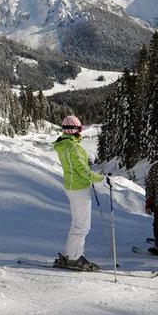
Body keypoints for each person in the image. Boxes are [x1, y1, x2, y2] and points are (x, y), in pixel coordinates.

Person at [52, 115, 104, 271]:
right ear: (75, 130)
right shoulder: (72, 147)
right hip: (79, 188)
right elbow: (82, 170)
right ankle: (74, 258)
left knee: (78, 223)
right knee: (82, 226)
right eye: (80, 128)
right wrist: (101, 179)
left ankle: (71, 254)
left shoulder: (66, 145)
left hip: (73, 186)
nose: (81, 131)